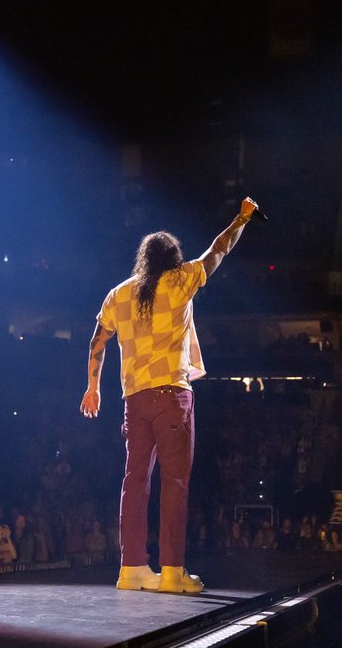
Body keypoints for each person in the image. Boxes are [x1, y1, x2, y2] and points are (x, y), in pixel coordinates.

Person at [81, 198, 259, 594]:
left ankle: (131, 569)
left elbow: (98, 340)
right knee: (174, 482)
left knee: (135, 481)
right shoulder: (180, 281)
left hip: (134, 400)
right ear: (173, 258)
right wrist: (243, 217)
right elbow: (218, 250)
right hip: (171, 397)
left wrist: (93, 386)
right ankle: (173, 571)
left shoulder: (119, 294)